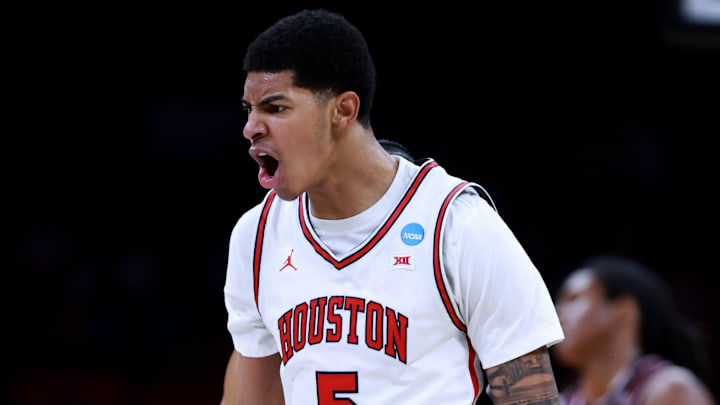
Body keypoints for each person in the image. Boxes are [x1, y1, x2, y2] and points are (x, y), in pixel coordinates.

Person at [223, 9, 564, 405]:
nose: (251, 128)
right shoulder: (257, 235)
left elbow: (532, 398)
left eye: (275, 108)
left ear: (343, 111)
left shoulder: (456, 224)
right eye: (249, 110)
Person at [553, 255, 716, 405]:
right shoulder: (564, 401)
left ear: (624, 311)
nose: (557, 312)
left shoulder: (669, 389)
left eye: (573, 298)